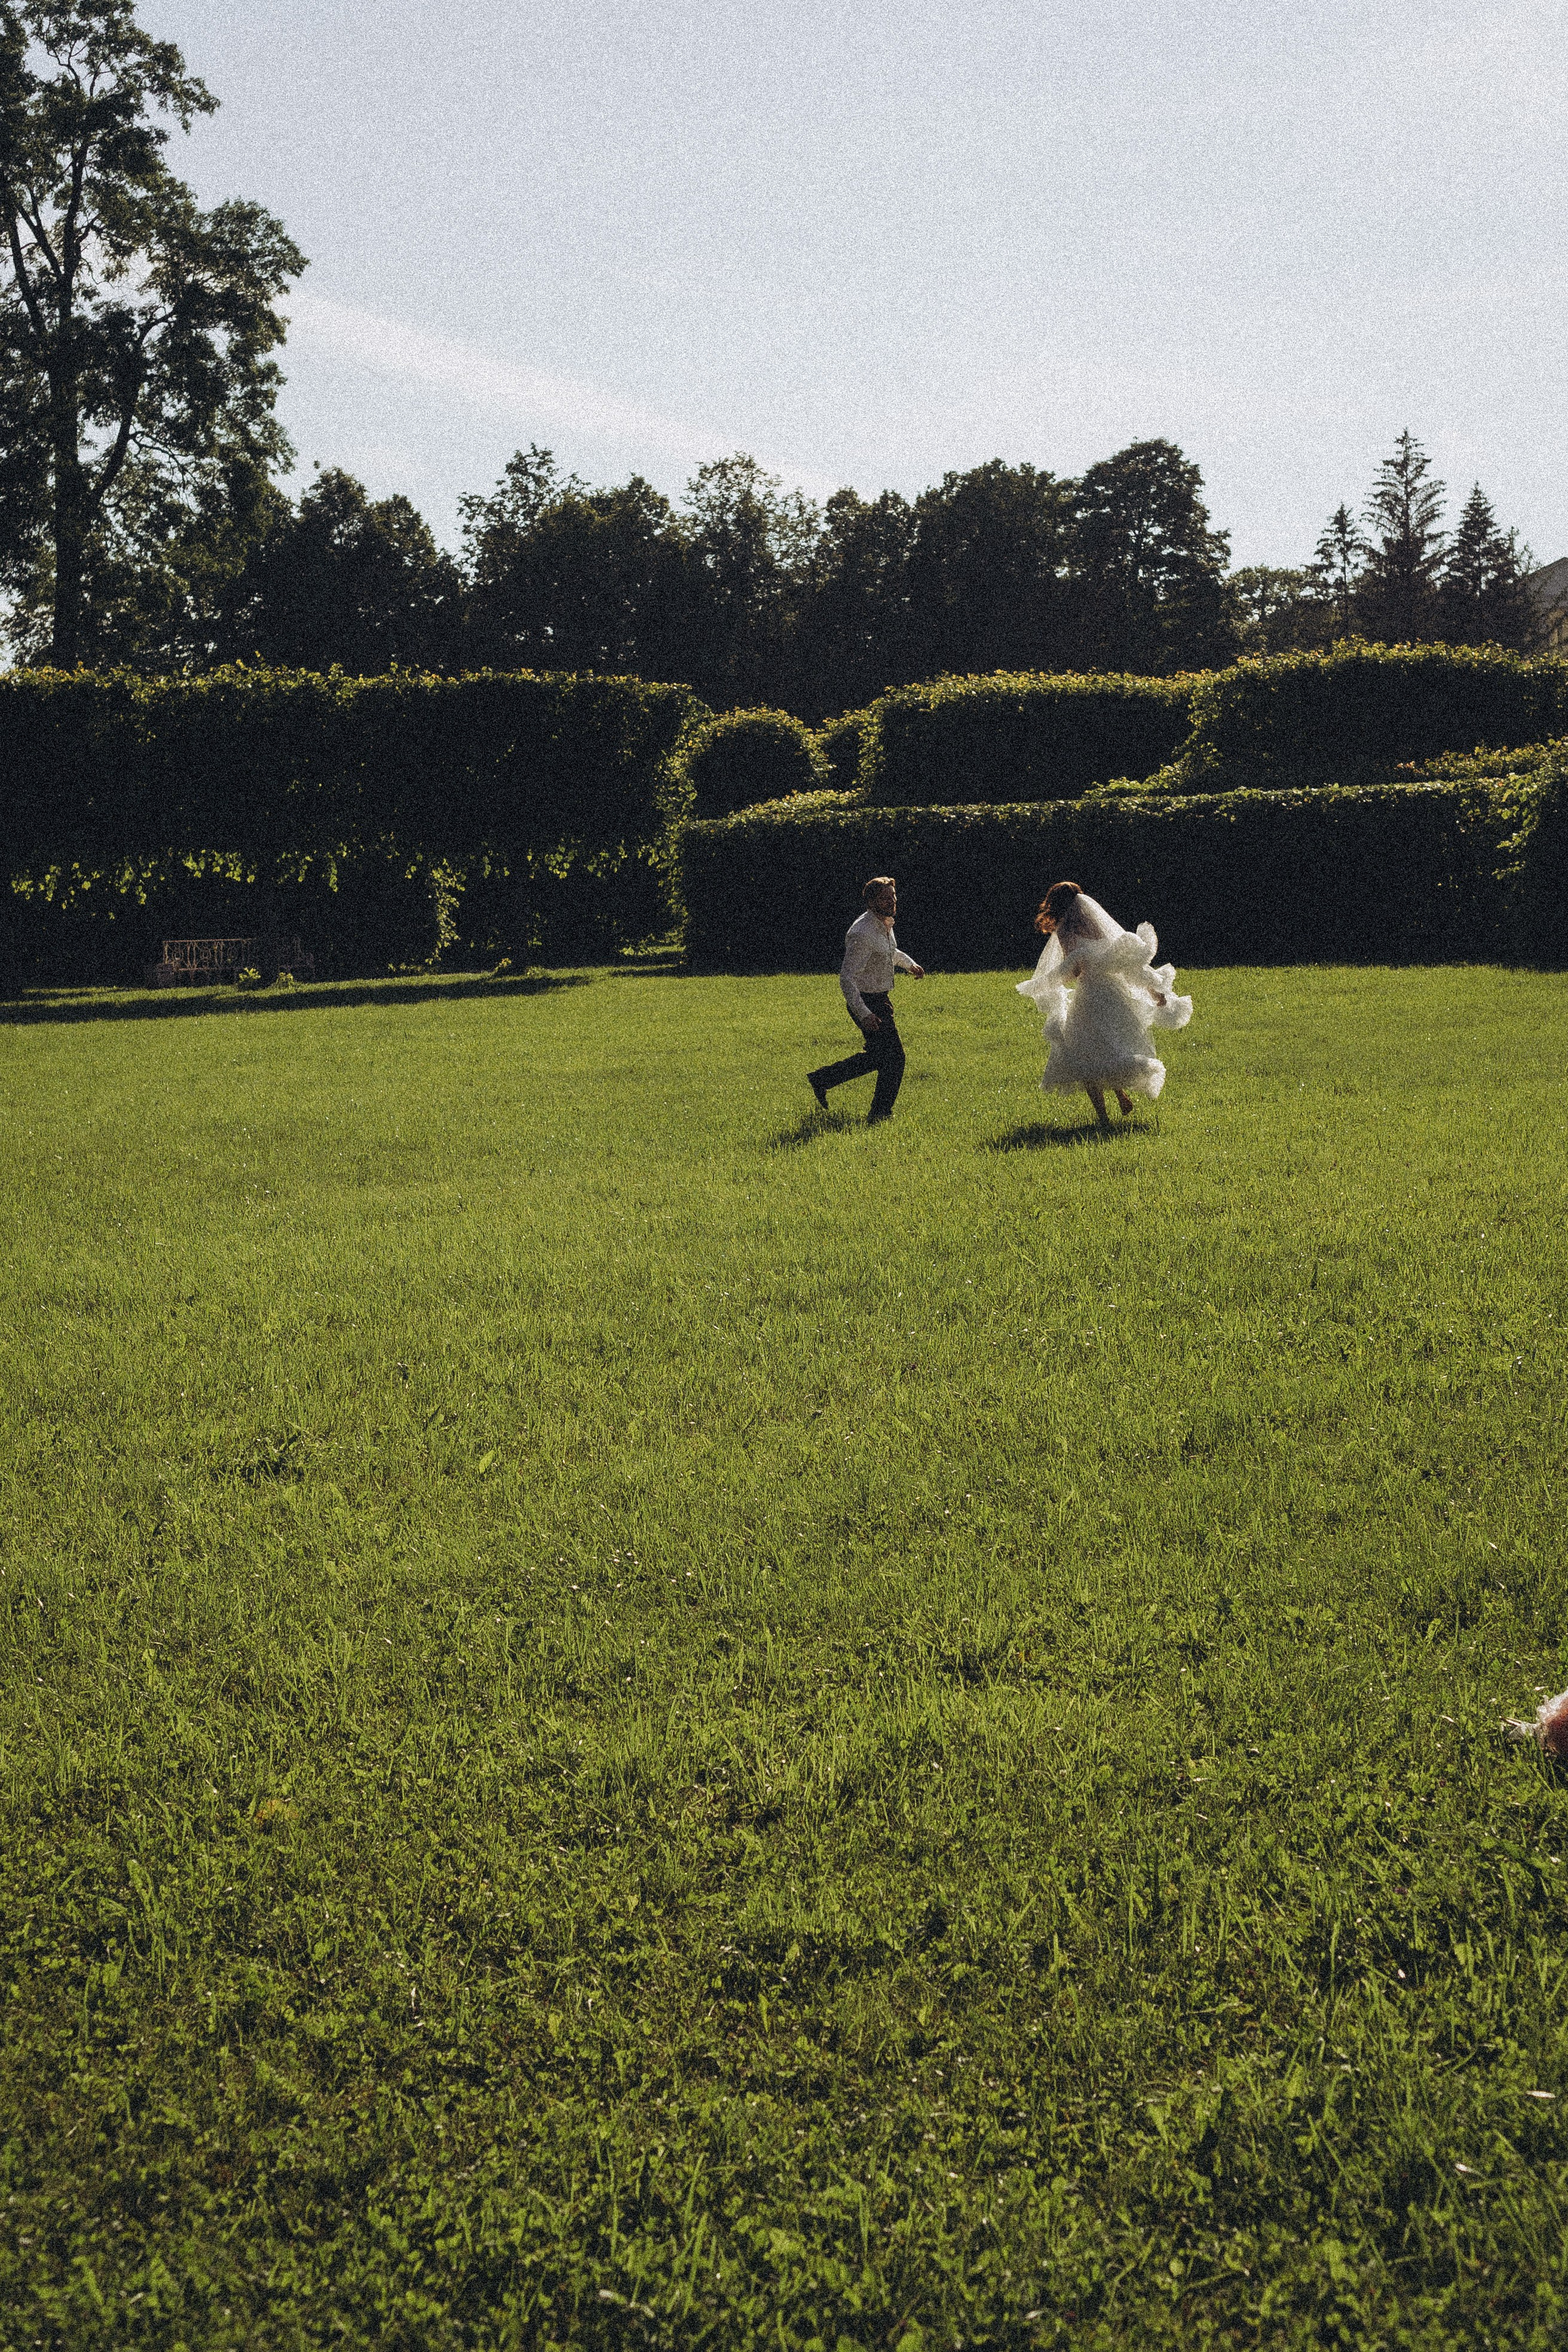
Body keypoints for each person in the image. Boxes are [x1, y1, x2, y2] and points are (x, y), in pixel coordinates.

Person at [1017, 880, 1191, 1125]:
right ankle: (1120, 1095)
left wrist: (1057, 980)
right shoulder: (1097, 925)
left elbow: (1074, 971)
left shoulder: (1066, 931)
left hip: (1089, 995)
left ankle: (1104, 1119)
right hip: (1113, 993)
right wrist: (1153, 991)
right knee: (1112, 1045)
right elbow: (1126, 962)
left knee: (1085, 1053)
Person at [808, 875, 925, 1123]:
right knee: (895, 1059)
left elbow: (889, 953)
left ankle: (821, 1080)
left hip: (879, 1000)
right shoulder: (862, 933)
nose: (892, 901)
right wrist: (864, 1014)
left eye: (893, 896)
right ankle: (880, 1114)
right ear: (872, 902)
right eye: (886, 897)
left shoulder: (883, 923)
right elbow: (847, 978)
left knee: (878, 1057)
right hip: (867, 1002)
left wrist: (910, 964)